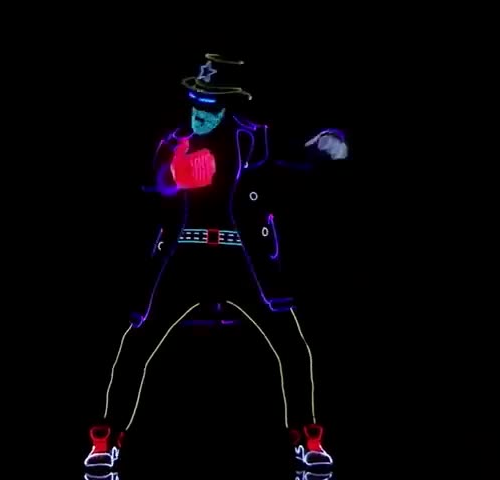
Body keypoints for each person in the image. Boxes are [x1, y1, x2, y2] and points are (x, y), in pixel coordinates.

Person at [84, 53, 349, 476]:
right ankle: (106, 441)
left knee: (293, 347)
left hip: (244, 259)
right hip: (183, 257)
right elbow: (151, 185)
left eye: (209, 105)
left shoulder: (255, 138)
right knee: (135, 345)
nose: (199, 113)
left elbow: (290, 161)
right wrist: (174, 176)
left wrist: (323, 148)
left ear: (227, 105)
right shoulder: (174, 140)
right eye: (195, 102)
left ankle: (308, 440)